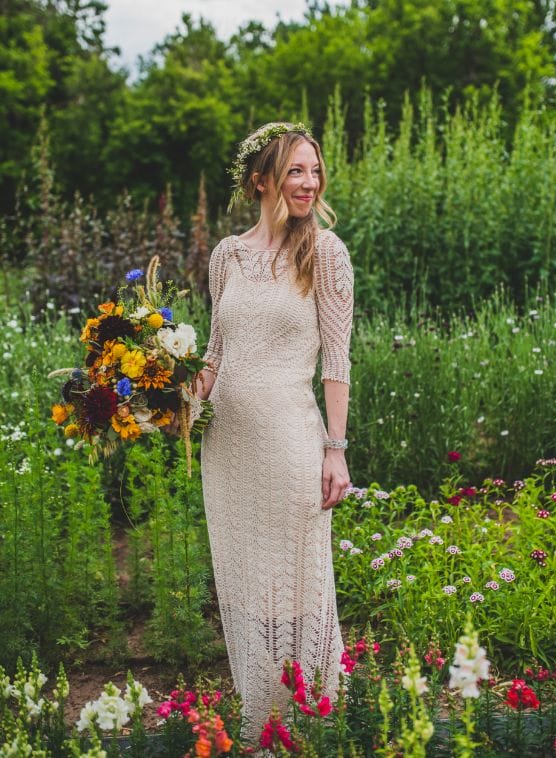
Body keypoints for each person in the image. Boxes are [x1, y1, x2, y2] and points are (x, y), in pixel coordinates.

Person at [195, 121, 354, 745]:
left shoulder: (326, 254)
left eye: (314, 170)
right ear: (261, 180)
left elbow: (337, 361)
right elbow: (215, 354)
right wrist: (164, 386)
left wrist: (335, 451)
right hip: (227, 450)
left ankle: (315, 723)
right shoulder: (227, 256)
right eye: (295, 170)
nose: (308, 183)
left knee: (298, 582)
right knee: (247, 587)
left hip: (292, 443)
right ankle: (261, 724)